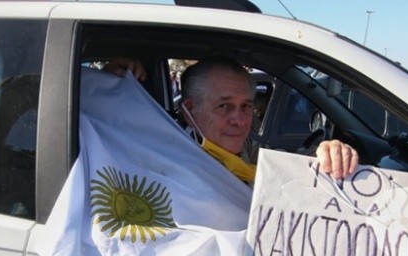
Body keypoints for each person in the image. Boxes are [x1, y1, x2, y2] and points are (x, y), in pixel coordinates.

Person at [103, 56, 358, 182]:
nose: (239, 120)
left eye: (246, 106)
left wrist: (328, 151)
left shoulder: (247, 151)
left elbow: (290, 168)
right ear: (190, 111)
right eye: (224, 106)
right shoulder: (159, 156)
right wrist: (102, 84)